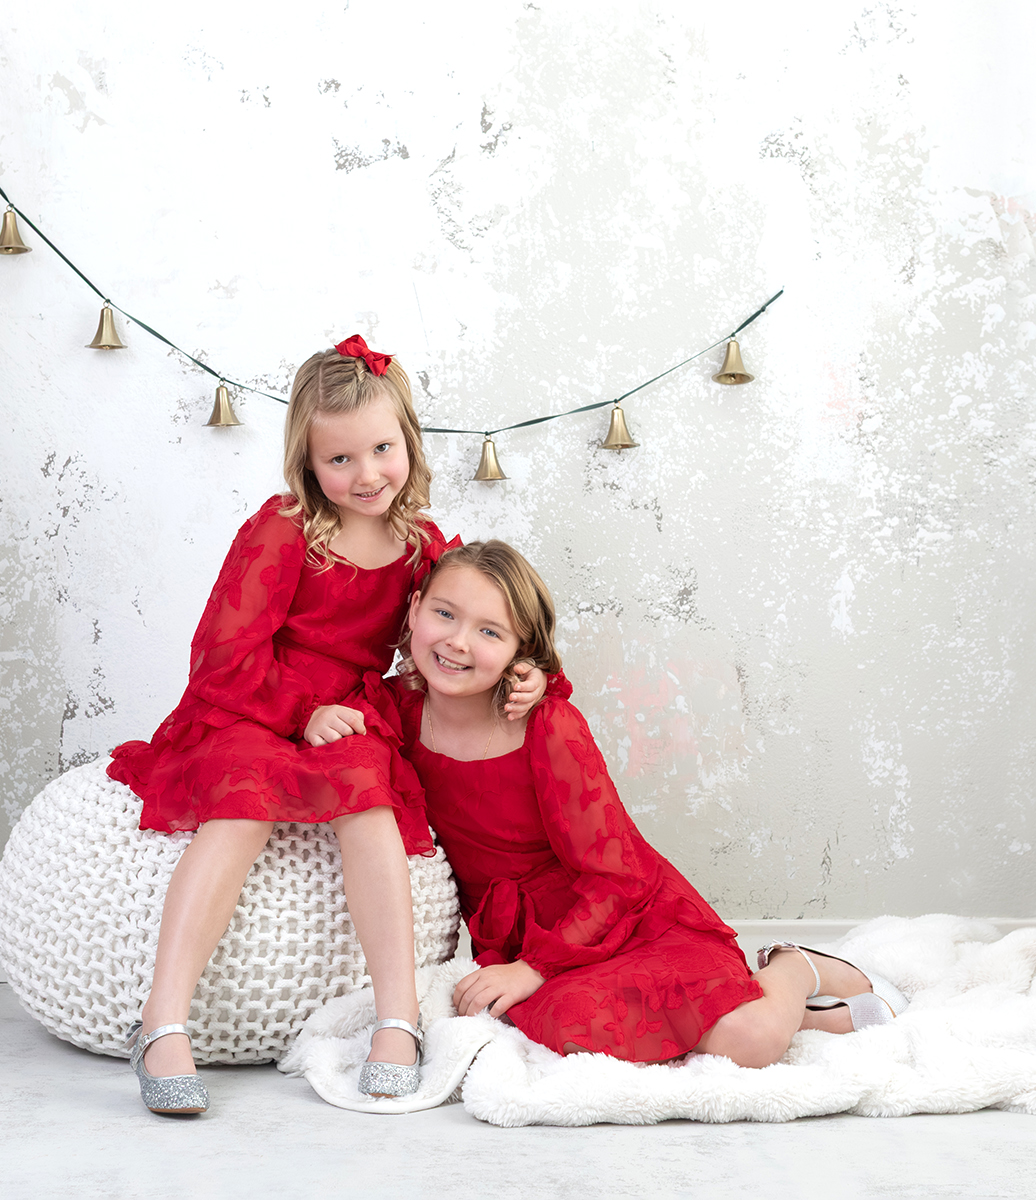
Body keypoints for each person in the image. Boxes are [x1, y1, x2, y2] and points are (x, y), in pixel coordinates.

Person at [108, 339, 545, 1112]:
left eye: (383, 449)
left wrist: (526, 671)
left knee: (369, 800)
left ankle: (397, 1017)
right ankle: (162, 1019)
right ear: (309, 464)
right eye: (341, 459)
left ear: (409, 440)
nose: (368, 474)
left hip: (349, 710)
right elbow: (221, 650)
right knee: (241, 804)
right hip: (255, 699)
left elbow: (454, 632)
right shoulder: (284, 530)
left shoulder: (421, 547)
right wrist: (300, 712)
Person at [352, 540, 906, 1068]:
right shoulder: (394, 710)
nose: (457, 642)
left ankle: (793, 969)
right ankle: (820, 1021)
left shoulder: (548, 725)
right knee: (579, 1024)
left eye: (489, 631)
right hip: (524, 934)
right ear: (415, 608)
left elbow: (616, 878)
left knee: (751, 1039)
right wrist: (314, 717)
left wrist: (535, 968)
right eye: (445, 615)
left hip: (620, 914)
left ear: (520, 654)